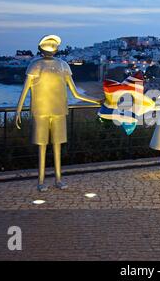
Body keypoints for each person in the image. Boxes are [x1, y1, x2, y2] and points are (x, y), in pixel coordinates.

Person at [15, 35, 100, 192]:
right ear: (41, 47)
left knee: (57, 146)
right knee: (42, 146)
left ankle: (58, 179)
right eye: (48, 44)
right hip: (40, 110)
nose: (51, 47)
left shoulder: (63, 65)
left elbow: (75, 93)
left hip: (59, 110)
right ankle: (41, 181)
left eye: (53, 45)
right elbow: (25, 90)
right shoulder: (35, 65)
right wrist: (18, 110)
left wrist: (96, 101)